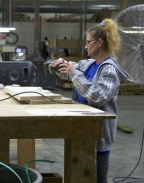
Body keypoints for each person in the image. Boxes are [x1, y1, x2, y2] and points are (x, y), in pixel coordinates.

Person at [51, 19, 128, 183]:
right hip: (82, 127)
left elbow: (97, 96)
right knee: (80, 173)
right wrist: (58, 64)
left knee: (98, 177)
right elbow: (72, 69)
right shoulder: (90, 64)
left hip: (99, 132)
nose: (85, 46)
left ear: (99, 42)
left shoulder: (109, 70)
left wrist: (73, 73)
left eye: (88, 42)